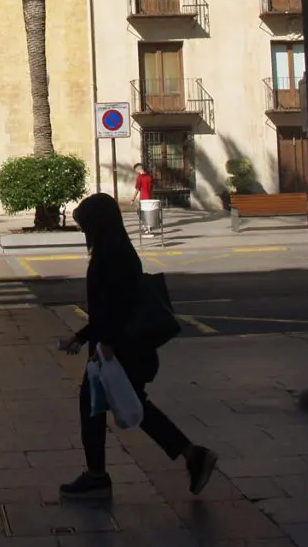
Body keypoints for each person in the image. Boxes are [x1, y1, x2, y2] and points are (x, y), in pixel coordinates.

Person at [58, 192, 217, 499]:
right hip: (123, 347)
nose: (83, 230)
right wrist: (80, 337)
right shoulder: (115, 248)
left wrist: (106, 343)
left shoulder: (111, 255)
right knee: (132, 407)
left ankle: (98, 476)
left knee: (95, 407)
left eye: (85, 224)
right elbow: (107, 308)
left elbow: (116, 307)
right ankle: (191, 455)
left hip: (120, 349)